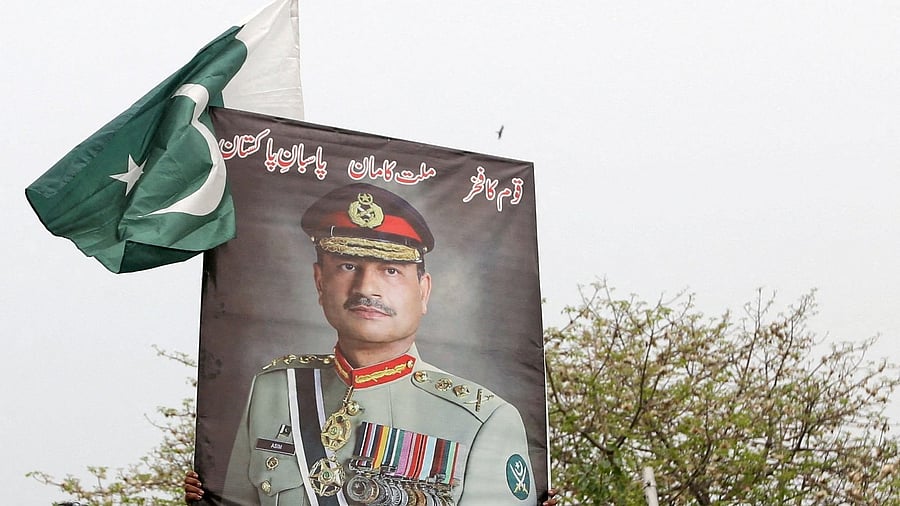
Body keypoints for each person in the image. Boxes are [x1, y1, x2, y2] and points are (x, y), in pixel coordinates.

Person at [189, 183, 549, 505]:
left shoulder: (483, 420)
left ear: (423, 291)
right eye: (347, 266)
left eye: (390, 271)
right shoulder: (275, 389)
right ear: (319, 282)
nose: (366, 289)